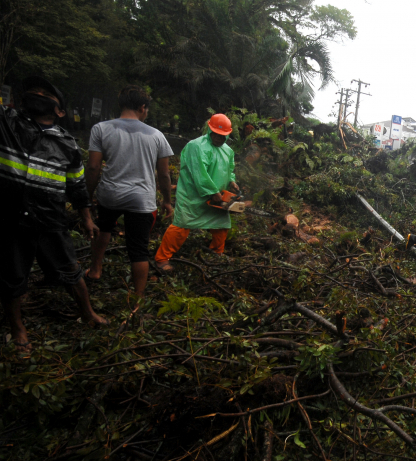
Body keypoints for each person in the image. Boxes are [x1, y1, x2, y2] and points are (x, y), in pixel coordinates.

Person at [0, 77, 107, 354]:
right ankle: (17, 329)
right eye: (34, 91)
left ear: (59, 110)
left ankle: (87, 313)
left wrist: (86, 217)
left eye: (46, 93)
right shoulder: (7, 124)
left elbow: (77, 185)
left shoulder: (67, 144)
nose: (37, 94)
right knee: (12, 276)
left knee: (70, 269)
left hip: (51, 219)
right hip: (11, 218)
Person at [85, 85, 174, 298]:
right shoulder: (156, 135)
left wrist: (86, 196)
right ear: (143, 107)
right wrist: (167, 201)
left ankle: (95, 270)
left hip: (109, 195)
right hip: (141, 200)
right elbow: (164, 175)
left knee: (103, 230)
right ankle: (138, 297)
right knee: (139, 249)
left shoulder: (101, 129)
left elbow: (93, 167)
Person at [154, 114, 238, 272]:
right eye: (216, 134)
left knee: (221, 225)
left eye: (222, 136)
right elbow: (199, 173)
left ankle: (216, 254)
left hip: (217, 196)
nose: (219, 138)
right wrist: (212, 191)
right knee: (182, 225)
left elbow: (229, 170)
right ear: (209, 130)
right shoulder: (196, 146)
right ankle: (161, 258)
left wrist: (232, 181)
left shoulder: (228, 151)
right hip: (193, 195)